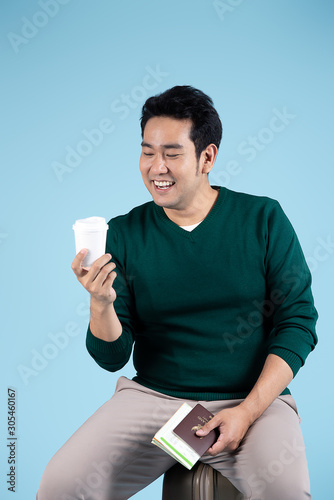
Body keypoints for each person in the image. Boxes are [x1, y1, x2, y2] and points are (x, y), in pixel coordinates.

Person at [37, 86, 318, 500]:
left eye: (171, 153)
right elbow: (112, 357)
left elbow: (298, 322)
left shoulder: (262, 218)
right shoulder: (125, 233)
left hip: (252, 401)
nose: (156, 167)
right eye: (147, 151)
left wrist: (248, 410)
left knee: (286, 493)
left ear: (207, 157)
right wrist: (101, 303)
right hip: (154, 398)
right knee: (60, 486)